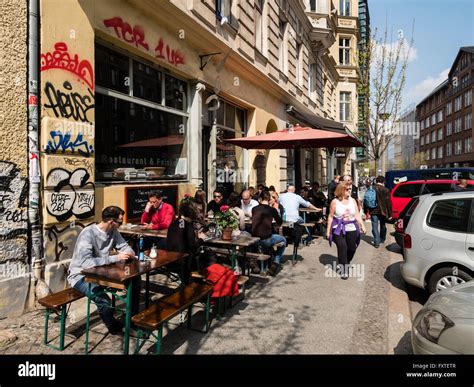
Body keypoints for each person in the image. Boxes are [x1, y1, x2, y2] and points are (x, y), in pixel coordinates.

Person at [67, 206, 141, 335]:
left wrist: (128, 253)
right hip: (80, 276)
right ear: (111, 222)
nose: (121, 224)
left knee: (135, 280)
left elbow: (125, 247)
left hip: (102, 273)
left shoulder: (113, 231)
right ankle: (114, 327)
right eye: (120, 222)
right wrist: (116, 257)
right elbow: (86, 263)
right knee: (103, 300)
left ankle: (131, 321)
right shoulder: (88, 233)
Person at [327, 183, 366, 279]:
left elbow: (357, 214)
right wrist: (328, 231)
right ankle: (344, 269)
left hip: (351, 227)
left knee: (352, 248)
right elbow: (331, 217)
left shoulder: (353, 201)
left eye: (349, 189)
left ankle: (346, 261)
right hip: (338, 228)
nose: (349, 190)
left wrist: (362, 225)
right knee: (342, 247)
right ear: (341, 190)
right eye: (347, 189)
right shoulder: (334, 202)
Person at [166, 201, 207, 284]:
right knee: (206, 254)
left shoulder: (174, 223)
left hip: (170, 259)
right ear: (192, 213)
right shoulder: (188, 226)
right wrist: (201, 239)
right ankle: (199, 285)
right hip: (183, 262)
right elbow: (193, 247)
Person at [251, 191, 286, 276]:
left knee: (265, 242)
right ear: (269, 199)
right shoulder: (272, 210)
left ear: (260, 199)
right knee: (283, 240)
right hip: (266, 239)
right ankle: (276, 262)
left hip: (254, 239)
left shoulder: (254, 209)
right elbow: (280, 222)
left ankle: (258, 263)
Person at [366, 175, 392, 248]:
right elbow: (388, 203)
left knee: (374, 226)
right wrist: (390, 214)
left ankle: (376, 242)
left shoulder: (371, 188)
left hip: (373, 210)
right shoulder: (386, 190)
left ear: (376, 181)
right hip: (383, 211)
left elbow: (366, 200)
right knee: (383, 225)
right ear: (383, 182)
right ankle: (382, 239)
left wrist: (366, 211)